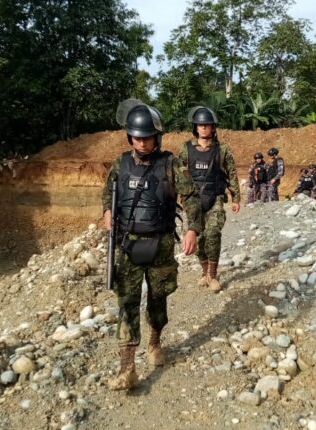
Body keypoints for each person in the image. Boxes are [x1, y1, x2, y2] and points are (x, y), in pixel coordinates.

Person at [102, 99, 202, 391]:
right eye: (137, 137)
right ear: (129, 137)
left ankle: (155, 343)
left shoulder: (171, 164)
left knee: (158, 300)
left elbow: (192, 197)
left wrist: (191, 228)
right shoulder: (119, 165)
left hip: (159, 245)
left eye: (147, 138)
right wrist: (107, 213)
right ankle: (127, 369)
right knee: (127, 304)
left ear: (157, 137)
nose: (143, 143)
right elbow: (108, 193)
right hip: (127, 246)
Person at [177, 106, 240, 292]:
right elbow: (178, 173)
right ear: (195, 128)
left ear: (213, 128)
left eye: (207, 125)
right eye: (200, 125)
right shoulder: (186, 149)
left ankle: (213, 275)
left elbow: (232, 173)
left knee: (213, 233)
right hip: (193, 202)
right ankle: (204, 272)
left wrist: (236, 197)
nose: (203, 128)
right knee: (199, 238)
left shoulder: (223, 150)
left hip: (216, 198)